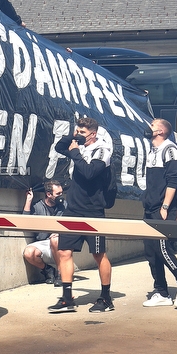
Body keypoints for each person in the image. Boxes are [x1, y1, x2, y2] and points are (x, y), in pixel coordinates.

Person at [48, 116, 115, 314]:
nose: (78, 135)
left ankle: (105, 298)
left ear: (93, 134)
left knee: (98, 254)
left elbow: (88, 172)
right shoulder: (79, 145)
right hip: (73, 209)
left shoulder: (102, 150)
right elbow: (59, 146)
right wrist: (74, 136)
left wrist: (76, 152)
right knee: (64, 252)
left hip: (93, 211)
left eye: (83, 132)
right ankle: (67, 298)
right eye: (77, 131)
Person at [142, 118, 177, 308]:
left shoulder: (170, 149)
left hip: (163, 208)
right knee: (151, 252)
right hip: (150, 207)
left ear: (161, 131)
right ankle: (162, 292)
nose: (149, 127)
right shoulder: (152, 150)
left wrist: (165, 207)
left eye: (153, 125)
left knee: (162, 249)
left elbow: (173, 181)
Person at [22, 181, 65, 286]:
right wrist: (28, 200)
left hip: (60, 244)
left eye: (61, 193)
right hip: (43, 243)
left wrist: (60, 233)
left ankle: (60, 274)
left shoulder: (64, 206)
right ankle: (48, 271)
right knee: (28, 253)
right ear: (49, 194)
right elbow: (24, 221)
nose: (61, 196)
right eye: (58, 194)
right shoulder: (38, 206)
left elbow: (73, 224)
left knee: (55, 239)